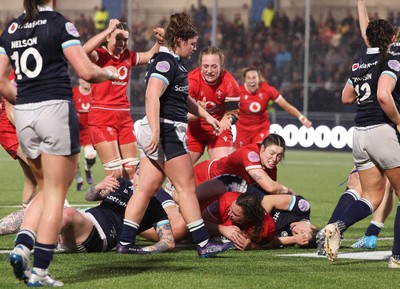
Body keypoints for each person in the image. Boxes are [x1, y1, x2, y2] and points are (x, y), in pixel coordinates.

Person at [0, 0, 119, 286]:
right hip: (54, 109)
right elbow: (87, 71)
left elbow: (1, 80)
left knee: (45, 187)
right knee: (56, 192)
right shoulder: (58, 23)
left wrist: (26, 100)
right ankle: (40, 270)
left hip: (25, 115)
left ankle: (22, 244)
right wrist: (110, 74)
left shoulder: (12, 28)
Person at [116, 12, 233, 258]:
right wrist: (157, 130)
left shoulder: (174, 62)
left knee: (146, 189)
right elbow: (151, 94)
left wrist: (208, 117)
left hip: (165, 131)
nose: (194, 49)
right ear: (179, 40)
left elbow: (184, 98)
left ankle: (124, 242)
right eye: (191, 44)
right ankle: (203, 243)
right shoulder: (166, 62)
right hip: (167, 132)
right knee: (187, 189)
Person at [323, 18, 400, 268]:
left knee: (371, 196)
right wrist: (398, 120)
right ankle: (397, 257)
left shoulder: (359, 63)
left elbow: (346, 96)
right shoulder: (389, 60)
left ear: (368, 39)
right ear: (391, 39)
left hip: (359, 134)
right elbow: (382, 95)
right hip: (381, 131)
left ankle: (337, 226)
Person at [84, 19, 164, 181]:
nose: (122, 43)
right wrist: (108, 29)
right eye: (118, 38)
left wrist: (159, 42)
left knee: (132, 172)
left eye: (125, 40)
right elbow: (85, 50)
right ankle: (107, 204)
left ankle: (127, 206)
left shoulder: (128, 56)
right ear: (108, 38)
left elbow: (149, 56)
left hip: (124, 119)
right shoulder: (100, 55)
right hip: (102, 118)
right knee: (115, 174)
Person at [58, 174, 174, 254]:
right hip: (85, 217)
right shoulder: (122, 183)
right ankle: (48, 238)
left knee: (68, 213)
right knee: (45, 199)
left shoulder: (154, 206)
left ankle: (42, 248)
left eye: (146, 176)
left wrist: (144, 250)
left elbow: (168, 241)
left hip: (99, 235)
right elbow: (89, 197)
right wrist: (99, 186)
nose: (139, 180)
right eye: (138, 174)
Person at [186, 45, 240, 163]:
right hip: (193, 131)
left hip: (218, 129)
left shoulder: (230, 83)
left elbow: (234, 112)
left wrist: (228, 119)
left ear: (221, 67)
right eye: (206, 66)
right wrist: (197, 112)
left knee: (224, 169)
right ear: (200, 66)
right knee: (178, 174)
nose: (209, 71)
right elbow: (181, 115)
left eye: (214, 66)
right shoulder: (190, 81)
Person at [234, 67, 312, 148]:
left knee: (259, 154)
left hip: (260, 129)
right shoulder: (238, 92)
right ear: (245, 80)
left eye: (254, 77)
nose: (251, 81)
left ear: (259, 78)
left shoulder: (268, 90)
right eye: (249, 78)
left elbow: (285, 106)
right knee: (241, 158)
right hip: (243, 131)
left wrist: (302, 118)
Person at [0, 72, 37, 236]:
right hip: (10, 128)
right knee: (45, 171)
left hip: (17, 125)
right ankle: (58, 220)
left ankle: (25, 221)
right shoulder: (13, 72)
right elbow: (10, 112)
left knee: (32, 178)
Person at [72, 78, 96, 191]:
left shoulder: (94, 92)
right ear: (80, 80)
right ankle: (79, 180)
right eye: (84, 80)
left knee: (91, 156)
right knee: (74, 162)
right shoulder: (74, 92)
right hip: (75, 130)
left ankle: (88, 169)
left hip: (89, 129)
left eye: (88, 80)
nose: (86, 82)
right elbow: (68, 106)